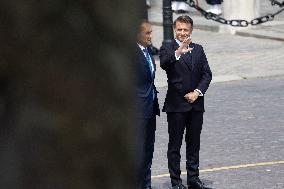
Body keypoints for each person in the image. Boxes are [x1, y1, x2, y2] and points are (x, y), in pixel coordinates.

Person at [159, 15, 212, 189]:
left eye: (186, 30)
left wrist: (197, 92)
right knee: (175, 144)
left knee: (193, 143)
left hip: (195, 104)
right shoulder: (168, 48)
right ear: (175, 29)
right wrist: (178, 52)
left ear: (191, 30)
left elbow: (207, 74)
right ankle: (176, 181)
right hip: (176, 105)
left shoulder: (198, 49)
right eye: (179, 29)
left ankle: (193, 178)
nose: (182, 33)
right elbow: (165, 64)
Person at [135, 19, 160, 189]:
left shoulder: (147, 51)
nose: (151, 36)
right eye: (148, 33)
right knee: (138, 152)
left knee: (148, 151)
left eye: (151, 32)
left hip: (150, 108)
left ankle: (146, 185)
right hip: (137, 111)